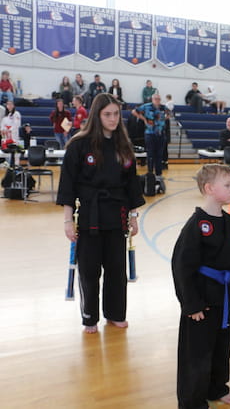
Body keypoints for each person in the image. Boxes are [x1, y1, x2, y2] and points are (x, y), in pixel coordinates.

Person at [57, 93, 145, 334]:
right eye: (107, 114)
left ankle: (116, 313)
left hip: (117, 215)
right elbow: (68, 185)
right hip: (89, 217)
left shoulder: (124, 147)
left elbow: (131, 185)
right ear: (97, 115)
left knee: (117, 269)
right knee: (89, 270)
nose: (113, 119)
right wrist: (67, 220)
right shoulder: (79, 144)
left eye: (116, 114)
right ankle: (89, 317)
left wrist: (134, 216)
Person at [171, 163, 230, 407]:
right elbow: (182, 266)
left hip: (223, 300)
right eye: (227, 185)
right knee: (197, 354)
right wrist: (191, 304)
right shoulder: (196, 226)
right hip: (200, 303)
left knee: (220, 349)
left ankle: (216, 388)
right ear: (209, 188)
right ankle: (192, 401)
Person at [132, 93, 169, 178]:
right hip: (150, 133)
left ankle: (159, 174)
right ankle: (150, 173)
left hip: (160, 134)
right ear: (152, 99)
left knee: (159, 154)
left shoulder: (163, 107)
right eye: (156, 99)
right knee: (150, 154)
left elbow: (169, 115)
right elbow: (134, 111)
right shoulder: (146, 106)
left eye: (159, 99)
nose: (157, 101)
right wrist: (144, 119)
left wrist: (162, 120)